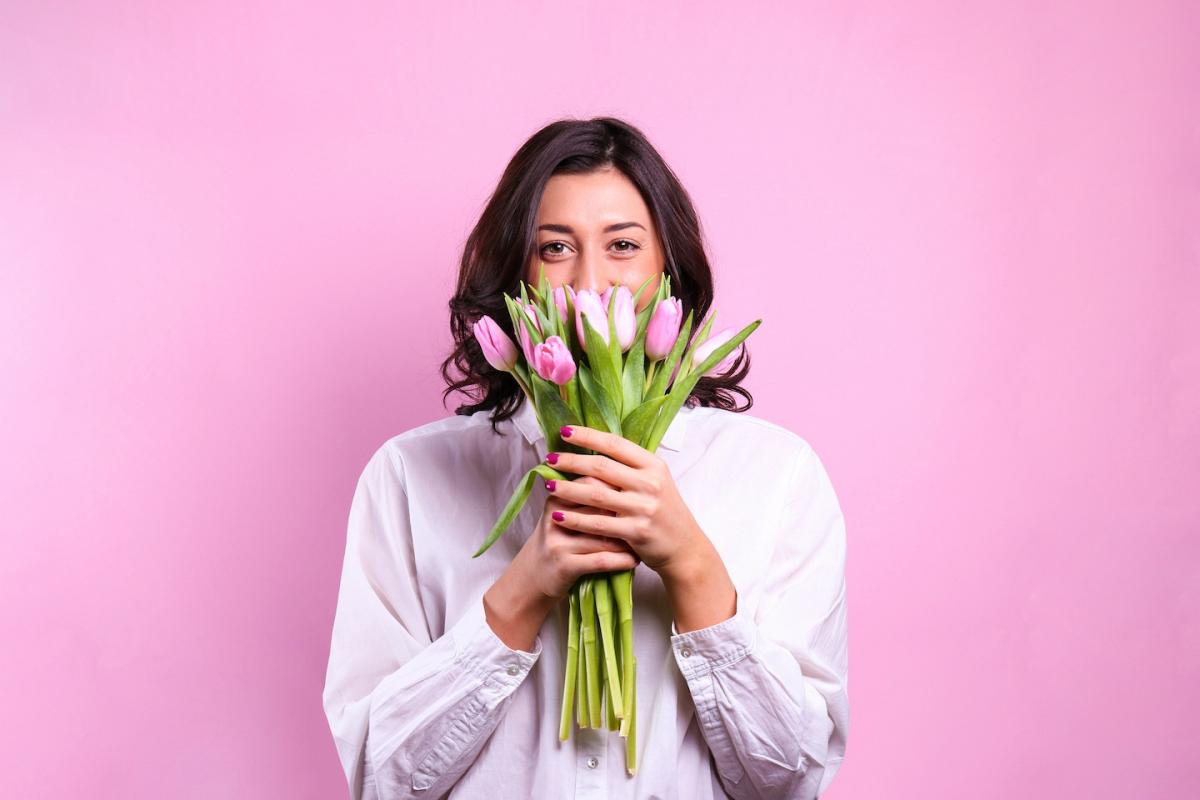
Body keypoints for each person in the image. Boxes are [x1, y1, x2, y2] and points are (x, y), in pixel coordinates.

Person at [322, 117, 849, 799]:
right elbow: (381, 779)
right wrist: (522, 590)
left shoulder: (776, 476)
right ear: (517, 273)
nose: (590, 283)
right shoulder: (408, 478)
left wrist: (690, 563)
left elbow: (792, 781)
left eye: (623, 245)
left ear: (669, 270)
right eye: (555, 248)